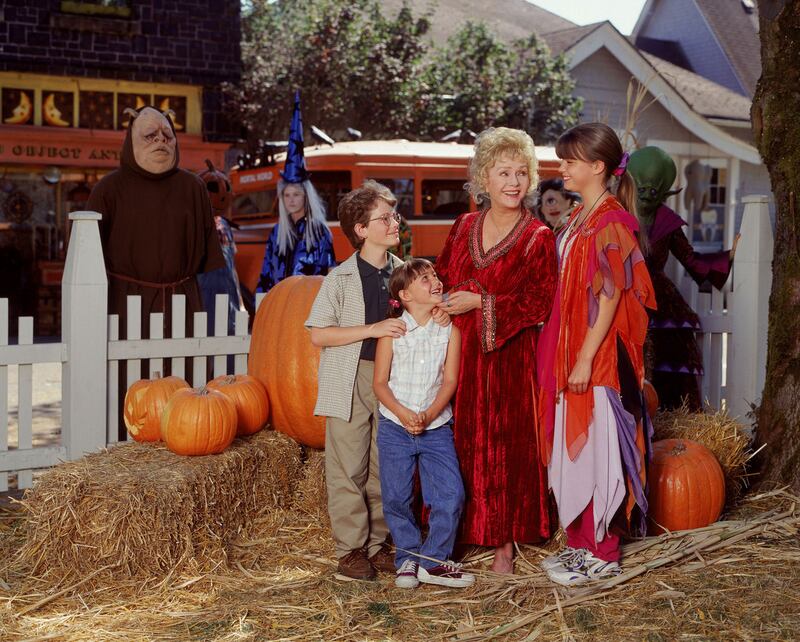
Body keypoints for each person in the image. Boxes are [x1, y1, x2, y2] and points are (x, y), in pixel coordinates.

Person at [537, 123, 656, 586]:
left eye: (569, 161)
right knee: (573, 451)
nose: (561, 168)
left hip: (599, 358)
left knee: (597, 450)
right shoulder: (580, 218)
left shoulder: (609, 221)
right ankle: (580, 545)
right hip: (571, 351)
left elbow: (609, 298)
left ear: (597, 167)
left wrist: (585, 357)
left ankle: (603, 552)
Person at [435, 127, 558, 574]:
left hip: (510, 361)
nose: (513, 182)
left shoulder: (537, 237)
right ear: (483, 179)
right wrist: (439, 301)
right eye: (503, 172)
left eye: (521, 173)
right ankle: (460, 533)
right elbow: (444, 275)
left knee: (505, 449)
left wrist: (481, 302)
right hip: (461, 358)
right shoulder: (464, 225)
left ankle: (504, 543)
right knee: (458, 443)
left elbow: (538, 301)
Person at [87, 106, 224, 439]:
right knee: (130, 389)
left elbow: (211, 263)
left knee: (186, 388)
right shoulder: (107, 191)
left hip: (183, 304)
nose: (161, 141)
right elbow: (89, 262)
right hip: (126, 307)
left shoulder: (193, 189)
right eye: (150, 135)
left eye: (167, 135)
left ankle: (188, 435)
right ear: (130, 142)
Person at [304, 180, 405, 581]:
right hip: (351, 378)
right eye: (385, 217)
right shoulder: (340, 278)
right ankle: (350, 550)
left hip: (392, 379)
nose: (395, 222)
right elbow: (319, 334)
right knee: (349, 467)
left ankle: (379, 545)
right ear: (361, 230)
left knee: (384, 465)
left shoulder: (404, 272)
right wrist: (373, 328)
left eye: (394, 215)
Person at [373, 258, 474, 589]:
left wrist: (429, 415)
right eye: (424, 279)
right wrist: (403, 414)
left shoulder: (450, 332)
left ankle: (433, 561)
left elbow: (449, 382)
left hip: (436, 428)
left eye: (434, 275)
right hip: (394, 427)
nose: (435, 281)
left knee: (450, 494)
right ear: (405, 295)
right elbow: (380, 384)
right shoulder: (391, 333)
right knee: (397, 497)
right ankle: (406, 558)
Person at [628, 146, 739, 410]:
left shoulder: (668, 222)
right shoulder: (615, 215)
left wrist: (729, 256)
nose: (646, 196)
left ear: (664, 192)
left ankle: (666, 425)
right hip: (623, 297)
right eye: (641, 188)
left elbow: (691, 260)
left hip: (661, 303)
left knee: (667, 370)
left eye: (653, 191)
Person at [257, 93, 335, 294]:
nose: (291, 200)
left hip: (308, 305)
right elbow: (266, 273)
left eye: (296, 194)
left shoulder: (320, 232)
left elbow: (329, 273)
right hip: (279, 305)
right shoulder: (277, 232)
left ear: (306, 196)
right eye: (287, 195)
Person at [197, 159, 244, 336]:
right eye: (214, 189)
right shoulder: (194, 225)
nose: (221, 195)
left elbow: (233, 268)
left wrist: (240, 302)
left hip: (228, 298)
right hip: (203, 300)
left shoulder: (225, 226)